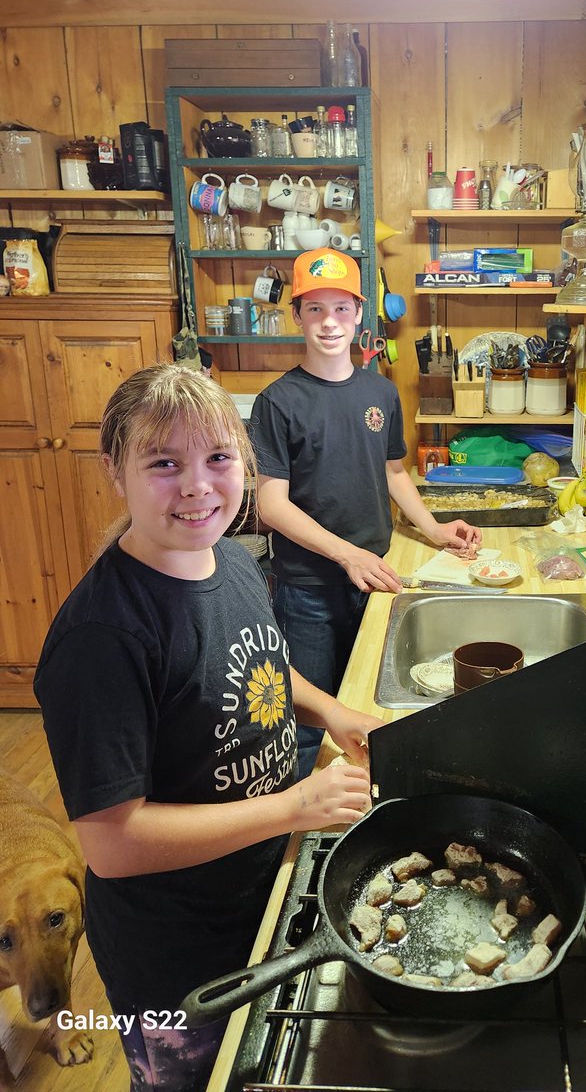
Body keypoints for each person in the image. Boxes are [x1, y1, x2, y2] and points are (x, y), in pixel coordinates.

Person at [34, 364, 381, 1092]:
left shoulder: (229, 559)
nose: (197, 486)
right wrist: (294, 808)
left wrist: (333, 711)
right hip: (175, 951)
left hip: (258, 895)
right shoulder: (103, 637)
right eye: (164, 463)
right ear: (115, 472)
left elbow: (259, 670)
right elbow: (111, 844)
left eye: (218, 459)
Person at [251, 248, 482, 774]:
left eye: (340, 308)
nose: (329, 322)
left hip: (376, 578)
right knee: (310, 719)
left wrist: (434, 529)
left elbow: (393, 471)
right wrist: (344, 554)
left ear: (359, 314)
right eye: (314, 309)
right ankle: (299, 827)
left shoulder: (380, 391)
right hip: (309, 587)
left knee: (374, 703)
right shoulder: (278, 402)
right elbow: (270, 503)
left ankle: (367, 799)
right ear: (297, 316)